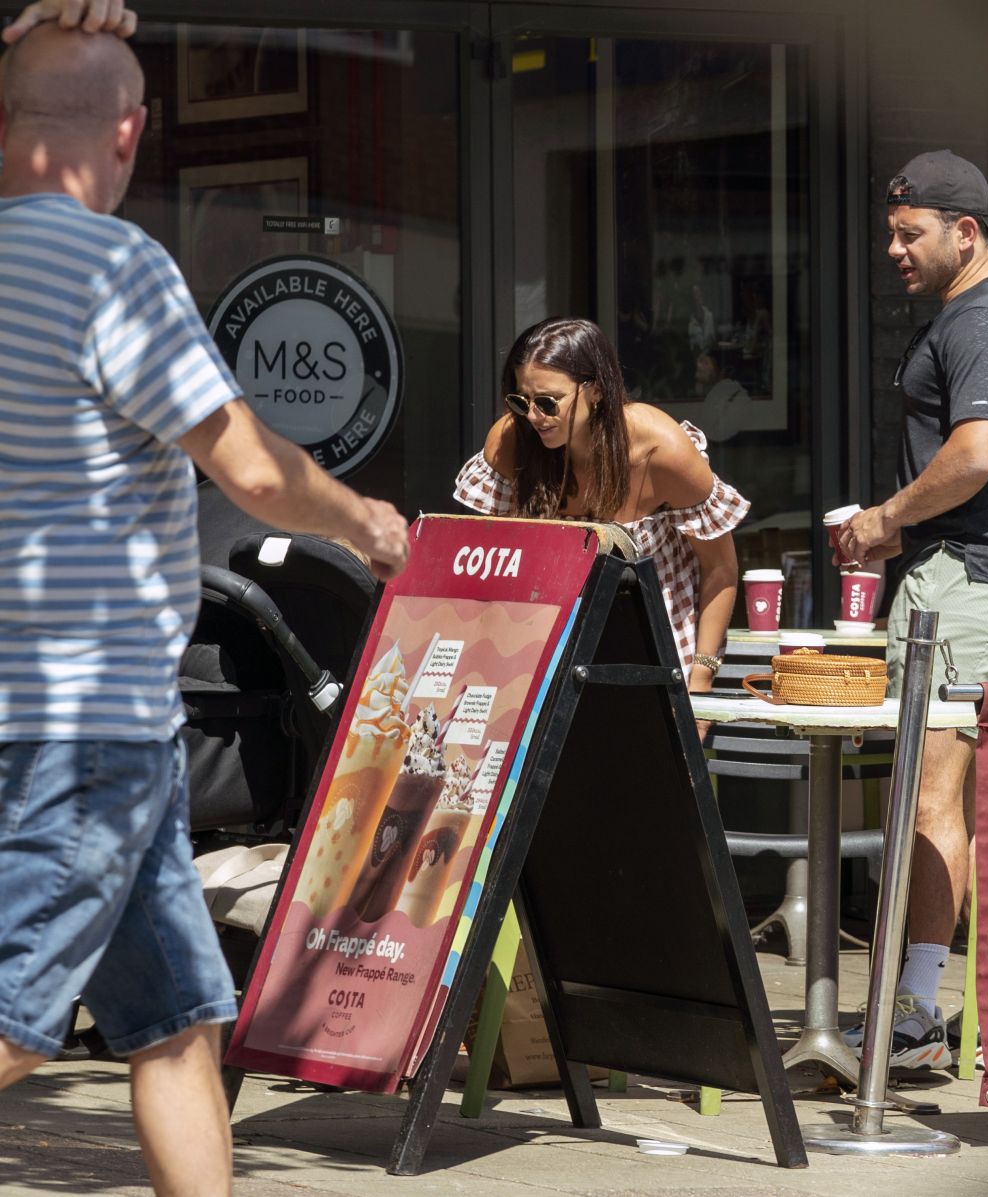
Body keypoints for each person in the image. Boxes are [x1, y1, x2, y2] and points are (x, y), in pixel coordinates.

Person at [0, 22, 410, 1197]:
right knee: (21, 1017)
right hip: (88, 722)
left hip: (54, 710)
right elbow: (256, 471)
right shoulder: (113, 268)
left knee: (176, 1018)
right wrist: (365, 525)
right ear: (130, 135)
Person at [838, 150, 988, 1070]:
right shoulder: (969, 316)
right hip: (952, 576)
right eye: (891, 232)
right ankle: (913, 1004)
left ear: (965, 232)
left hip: (978, 581)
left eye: (908, 232)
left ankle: (920, 1016)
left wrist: (886, 518)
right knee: (916, 795)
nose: (893, 248)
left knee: (929, 796)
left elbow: (975, 453)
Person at [454, 317, 748, 709]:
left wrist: (701, 679)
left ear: (594, 390)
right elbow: (488, 567)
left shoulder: (661, 451)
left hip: (652, 660)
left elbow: (720, 570)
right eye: (521, 401)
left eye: (547, 402)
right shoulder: (513, 443)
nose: (533, 417)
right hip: (545, 661)